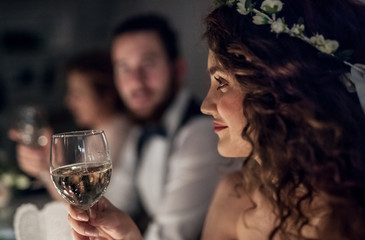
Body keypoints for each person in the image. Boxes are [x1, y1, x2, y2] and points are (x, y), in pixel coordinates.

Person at [67, 0, 365, 239]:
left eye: (221, 83)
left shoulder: (350, 212)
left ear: (280, 86)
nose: (206, 105)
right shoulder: (234, 194)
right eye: (123, 69)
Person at [103, 14, 236, 240]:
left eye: (148, 64)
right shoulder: (140, 131)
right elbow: (112, 206)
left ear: (178, 68)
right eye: (124, 68)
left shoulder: (203, 132)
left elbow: (169, 236)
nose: (136, 81)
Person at [9, 50, 131, 200]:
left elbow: (87, 202)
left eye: (78, 93)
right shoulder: (99, 133)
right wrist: (46, 165)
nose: (69, 101)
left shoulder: (116, 132)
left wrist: (48, 167)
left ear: (107, 96)